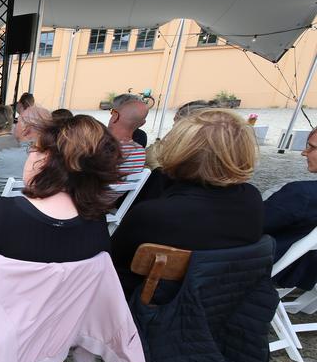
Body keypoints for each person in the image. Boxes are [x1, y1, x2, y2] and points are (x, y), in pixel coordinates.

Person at [0, 114, 123, 358]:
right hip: (55, 328)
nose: (28, 155)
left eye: (33, 149)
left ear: (45, 160)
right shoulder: (97, 223)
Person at [111, 109, 262, 297]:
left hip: (148, 307)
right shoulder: (252, 199)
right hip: (219, 303)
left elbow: (111, 265)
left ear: (178, 149)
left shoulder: (154, 214)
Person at [266, 128, 317, 289]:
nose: (304, 153)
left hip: (275, 267)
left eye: (312, 147)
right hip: (307, 268)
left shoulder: (301, 194)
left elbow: (248, 228)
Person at [107, 94, 149, 175]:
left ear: (115, 116)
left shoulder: (98, 145)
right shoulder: (140, 153)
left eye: (112, 111)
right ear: (142, 124)